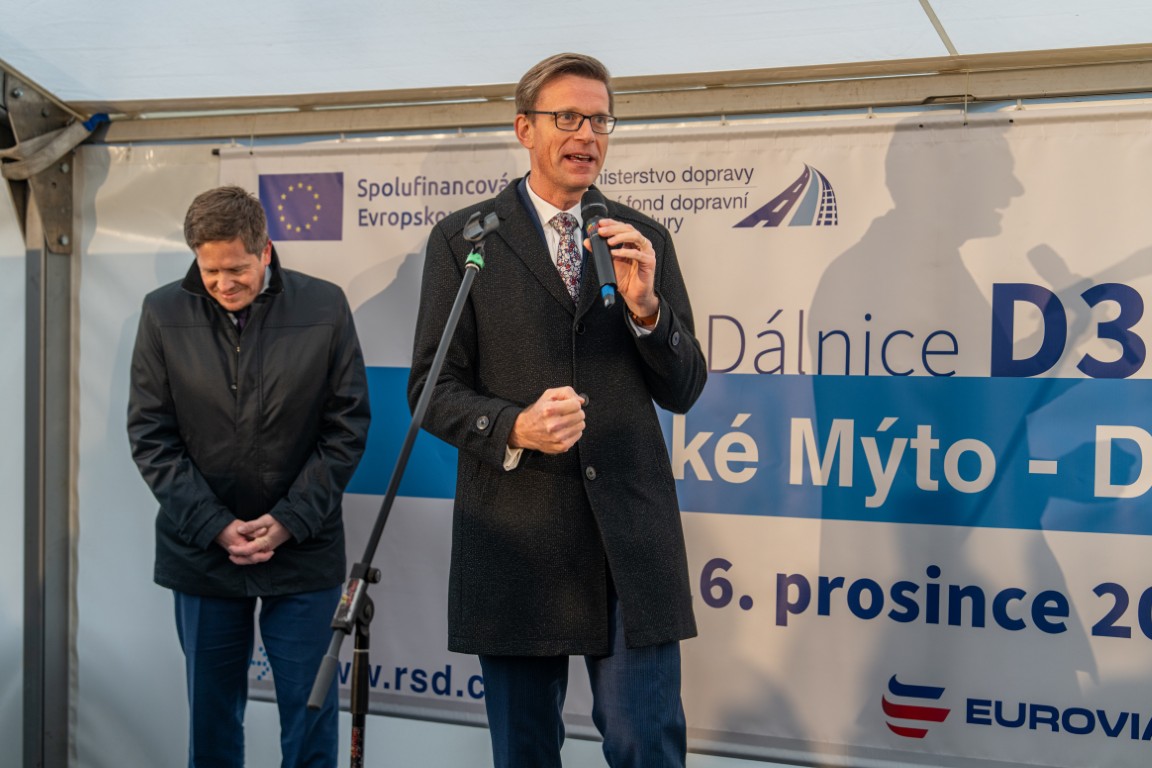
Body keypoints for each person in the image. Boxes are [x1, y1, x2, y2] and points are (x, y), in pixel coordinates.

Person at [408, 53, 707, 767]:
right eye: (567, 117)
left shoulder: (641, 237)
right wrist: (514, 426)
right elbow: (430, 389)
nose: (587, 135)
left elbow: (685, 388)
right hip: (517, 533)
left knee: (646, 744)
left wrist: (648, 311)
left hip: (628, 537)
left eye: (600, 120)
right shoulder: (466, 239)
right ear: (525, 129)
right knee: (526, 750)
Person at [127, 185, 371, 768]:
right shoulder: (162, 312)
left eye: (236, 269)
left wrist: (288, 521)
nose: (222, 284)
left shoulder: (325, 306)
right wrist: (214, 525)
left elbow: (347, 427)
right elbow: (150, 435)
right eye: (208, 270)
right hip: (201, 553)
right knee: (211, 722)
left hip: (303, 551)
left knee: (309, 720)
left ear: (266, 250)